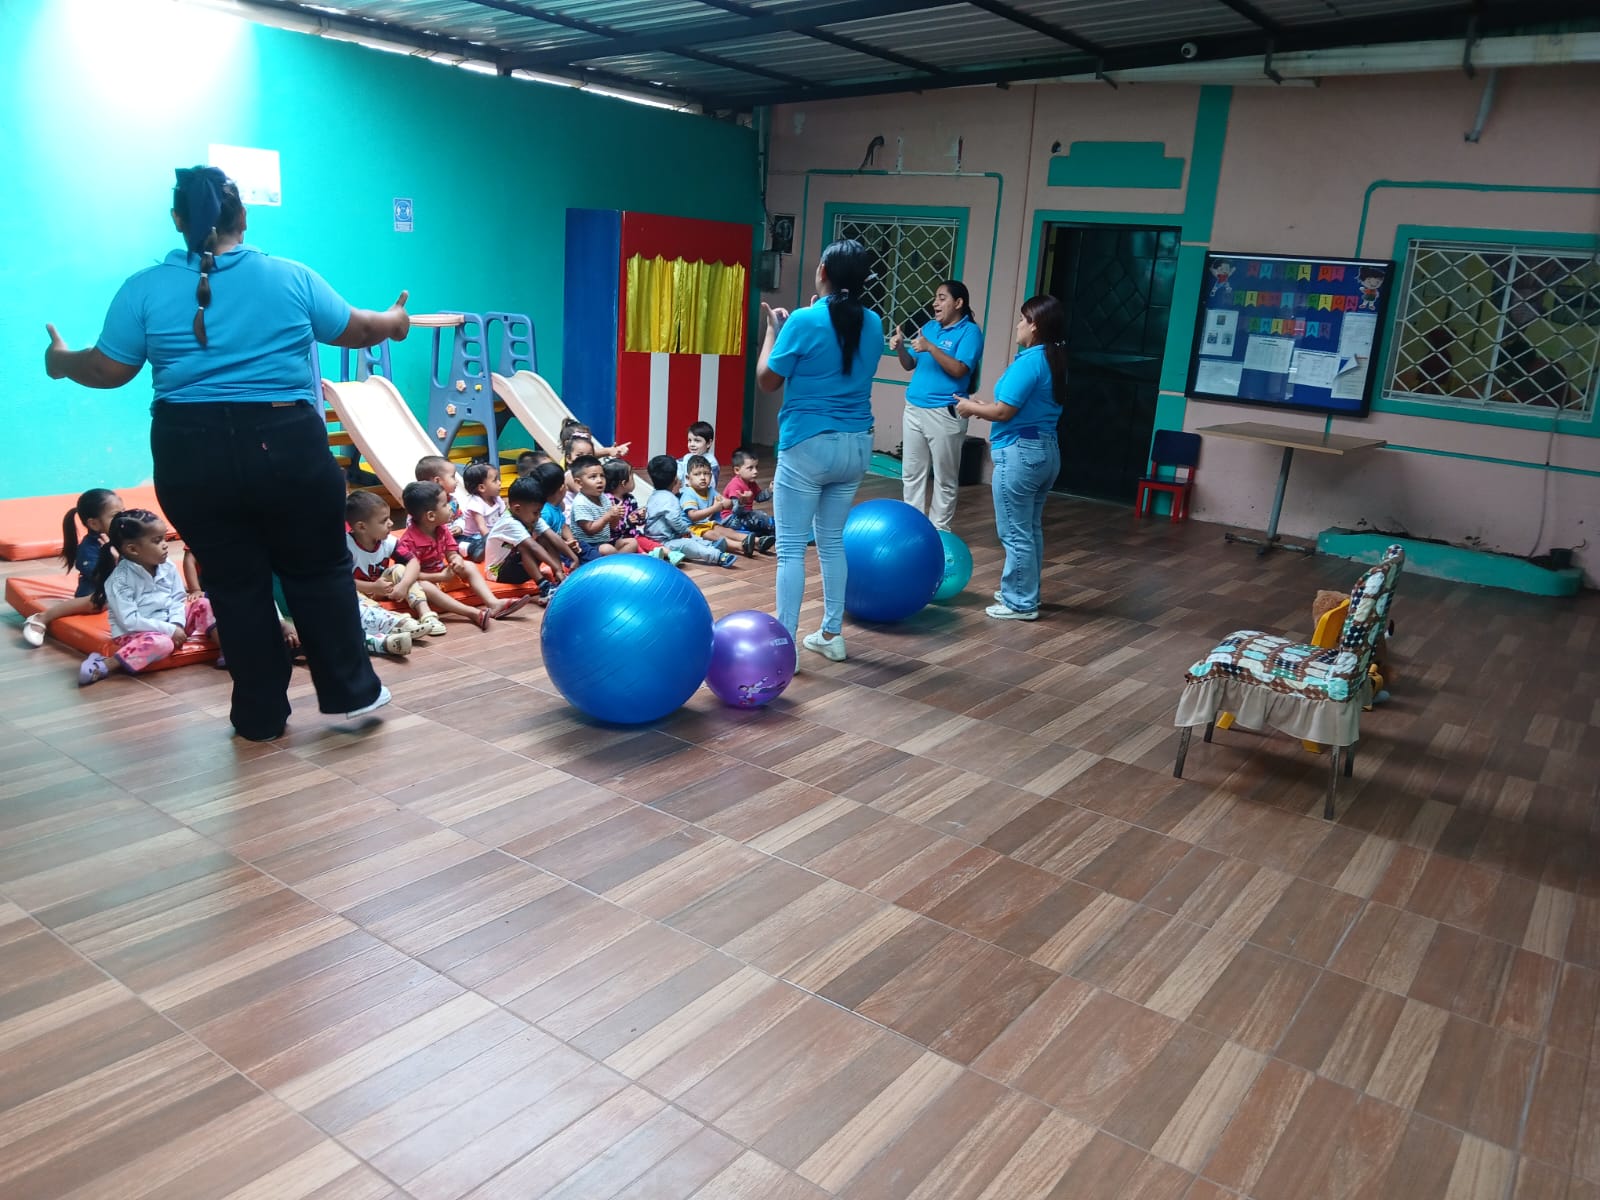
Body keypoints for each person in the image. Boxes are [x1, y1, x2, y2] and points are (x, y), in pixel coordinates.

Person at [43, 165, 407, 739]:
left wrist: (60, 360)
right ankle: (351, 694)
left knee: (235, 585)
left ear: (177, 220)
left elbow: (106, 369)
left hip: (190, 452)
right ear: (244, 218)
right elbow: (361, 329)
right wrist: (397, 320)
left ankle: (259, 717)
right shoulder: (290, 277)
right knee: (318, 571)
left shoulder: (144, 288)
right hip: (286, 443)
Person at [756, 238, 881, 661]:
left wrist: (772, 332)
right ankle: (830, 634)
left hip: (808, 446)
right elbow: (840, 350)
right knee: (831, 542)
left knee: (791, 549)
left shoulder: (803, 320)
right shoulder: (874, 322)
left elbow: (768, 380)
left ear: (823, 271)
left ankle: (785, 646)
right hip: (857, 446)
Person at [955, 294, 1065, 621]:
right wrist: (982, 407)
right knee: (1029, 529)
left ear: (1035, 325)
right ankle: (1026, 591)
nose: (1017, 325)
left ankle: (1020, 602)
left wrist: (969, 406)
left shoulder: (1030, 362)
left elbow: (1004, 412)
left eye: (1022, 319)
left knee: (1015, 532)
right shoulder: (1053, 359)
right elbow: (1016, 409)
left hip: (1020, 454)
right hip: (1045, 451)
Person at [77, 509, 217, 685]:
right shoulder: (119, 580)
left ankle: (227, 651)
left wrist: (176, 624)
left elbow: (177, 599)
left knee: (204, 603)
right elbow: (130, 621)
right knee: (163, 643)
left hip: (171, 624)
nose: (165, 545)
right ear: (133, 549)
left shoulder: (168, 566)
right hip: (136, 632)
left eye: (164, 539)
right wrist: (169, 630)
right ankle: (105, 663)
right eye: (157, 541)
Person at [890, 280, 983, 531]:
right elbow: (910, 364)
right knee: (912, 473)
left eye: (942, 298)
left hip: (944, 411)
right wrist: (901, 348)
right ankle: (912, 529)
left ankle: (940, 532)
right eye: (935, 298)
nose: (935, 303)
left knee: (945, 478)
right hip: (914, 408)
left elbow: (960, 369)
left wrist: (931, 348)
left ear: (958, 303)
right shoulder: (929, 328)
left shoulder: (970, 332)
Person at [393, 481, 530, 625]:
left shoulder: (442, 529)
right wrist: (439, 576)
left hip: (444, 577)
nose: (450, 508)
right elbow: (405, 575)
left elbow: (451, 552)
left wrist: (456, 560)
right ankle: (471, 613)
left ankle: (493, 603)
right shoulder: (408, 542)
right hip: (425, 583)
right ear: (431, 516)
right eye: (445, 505)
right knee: (423, 585)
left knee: (469, 566)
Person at [21, 488, 125, 647]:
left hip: (121, 588)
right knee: (97, 602)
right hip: (96, 591)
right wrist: (115, 560)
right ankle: (41, 618)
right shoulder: (88, 548)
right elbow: (100, 579)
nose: (122, 519)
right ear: (94, 524)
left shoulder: (123, 537)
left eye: (123, 512)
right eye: (115, 515)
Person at [643, 455, 737, 567]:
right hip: (664, 542)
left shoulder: (654, 495)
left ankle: (710, 545)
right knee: (688, 544)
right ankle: (717, 556)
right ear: (674, 480)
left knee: (693, 537)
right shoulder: (670, 499)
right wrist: (685, 531)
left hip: (665, 537)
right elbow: (675, 520)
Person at [485, 476, 564, 587]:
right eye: (535, 513)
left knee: (545, 538)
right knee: (525, 546)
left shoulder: (528, 516)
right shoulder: (509, 522)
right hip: (498, 573)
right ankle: (544, 587)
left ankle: (560, 578)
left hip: (518, 565)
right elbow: (533, 547)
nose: (538, 516)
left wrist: (573, 558)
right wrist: (556, 567)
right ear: (517, 509)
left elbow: (551, 535)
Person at [682, 455, 763, 555]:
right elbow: (693, 516)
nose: (702, 478)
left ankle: (757, 541)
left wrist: (738, 501)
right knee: (712, 535)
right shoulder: (688, 493)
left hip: (706, 524)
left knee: (727, 531)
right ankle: (741, 546)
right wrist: (714, 508)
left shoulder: (710, 490)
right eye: (697, 474)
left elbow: (727, 503)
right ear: (688, 478)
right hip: (691, 528)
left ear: (711, 476)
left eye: (706, 473)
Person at [568, 455, 641, 561]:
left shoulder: (604, 498)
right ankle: (616, 562)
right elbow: (590, 530)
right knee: (608, 549)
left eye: (602, 476)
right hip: (587, 546)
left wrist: (616, 516)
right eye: (593, 477)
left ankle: (614, 561)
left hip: (605, 542)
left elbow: (612, 526)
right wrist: (607, 516)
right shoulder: (581, 503)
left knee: (632, 542)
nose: (599, 480)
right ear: (579, 483)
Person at [719, 449, 777, 540]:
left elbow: (758, 497)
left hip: (745, 516)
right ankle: (770, 528)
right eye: (750, 468)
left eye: (756, 467)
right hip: (731, 519)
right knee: (758, 516)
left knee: (757, 518)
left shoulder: (751, 482)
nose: (755, 471)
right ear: (737, 470)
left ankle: (765, 532)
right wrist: (742, 502)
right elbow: (736, 512)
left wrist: (770, 490)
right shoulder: (735, 485)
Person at [458, 462, 505, 562]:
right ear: (482, 488)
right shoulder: (476, 503)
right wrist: (492, 542)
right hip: (475, 536)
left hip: (493, 533)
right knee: (469, 543)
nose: (499, 483)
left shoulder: (496, 498)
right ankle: (471, 549)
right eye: (495, 480)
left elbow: (504, 516)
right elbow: (482, 527)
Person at [678, 421, 720, 489]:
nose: (692, 444)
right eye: (689, 440)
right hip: (685, 493)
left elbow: (711, 485)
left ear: (708, 443)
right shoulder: (686, 458)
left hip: (702, 494)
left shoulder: (711, 462)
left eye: (697, 441)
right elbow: (677, 473)